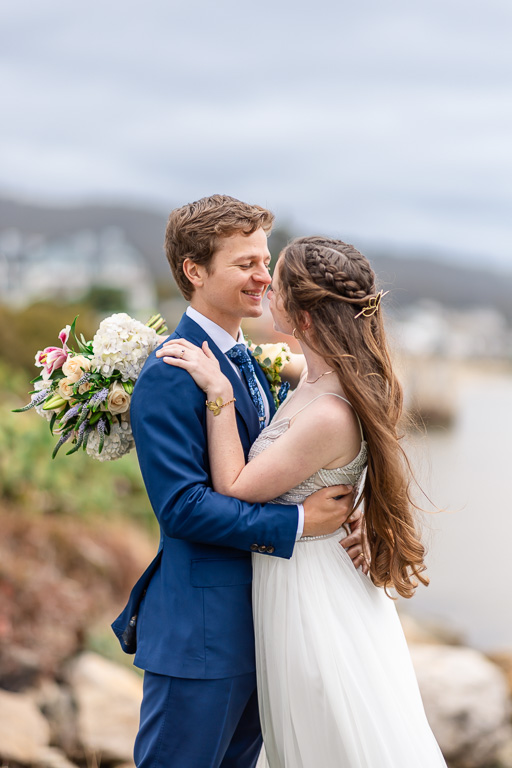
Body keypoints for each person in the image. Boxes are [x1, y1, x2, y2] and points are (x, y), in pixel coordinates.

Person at [159, 235, 447, 767]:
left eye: (278, 279)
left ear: (306, 317)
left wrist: (218, 394)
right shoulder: (314, 376)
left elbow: (235, 487)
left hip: (311, 593)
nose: (266, 284)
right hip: (301, 573)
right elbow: (276, 368)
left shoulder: (329, 412)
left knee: (327, 733)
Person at [112, 197, 365, 768]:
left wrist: (356, 507)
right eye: (245, 263)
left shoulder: (248, 362)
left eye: (265, 261)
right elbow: (182, 508)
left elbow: (298, 462)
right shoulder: (172, 374)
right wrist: (300, 522)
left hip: (267, 626)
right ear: (194, 271)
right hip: (202, 638)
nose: (263, 277)